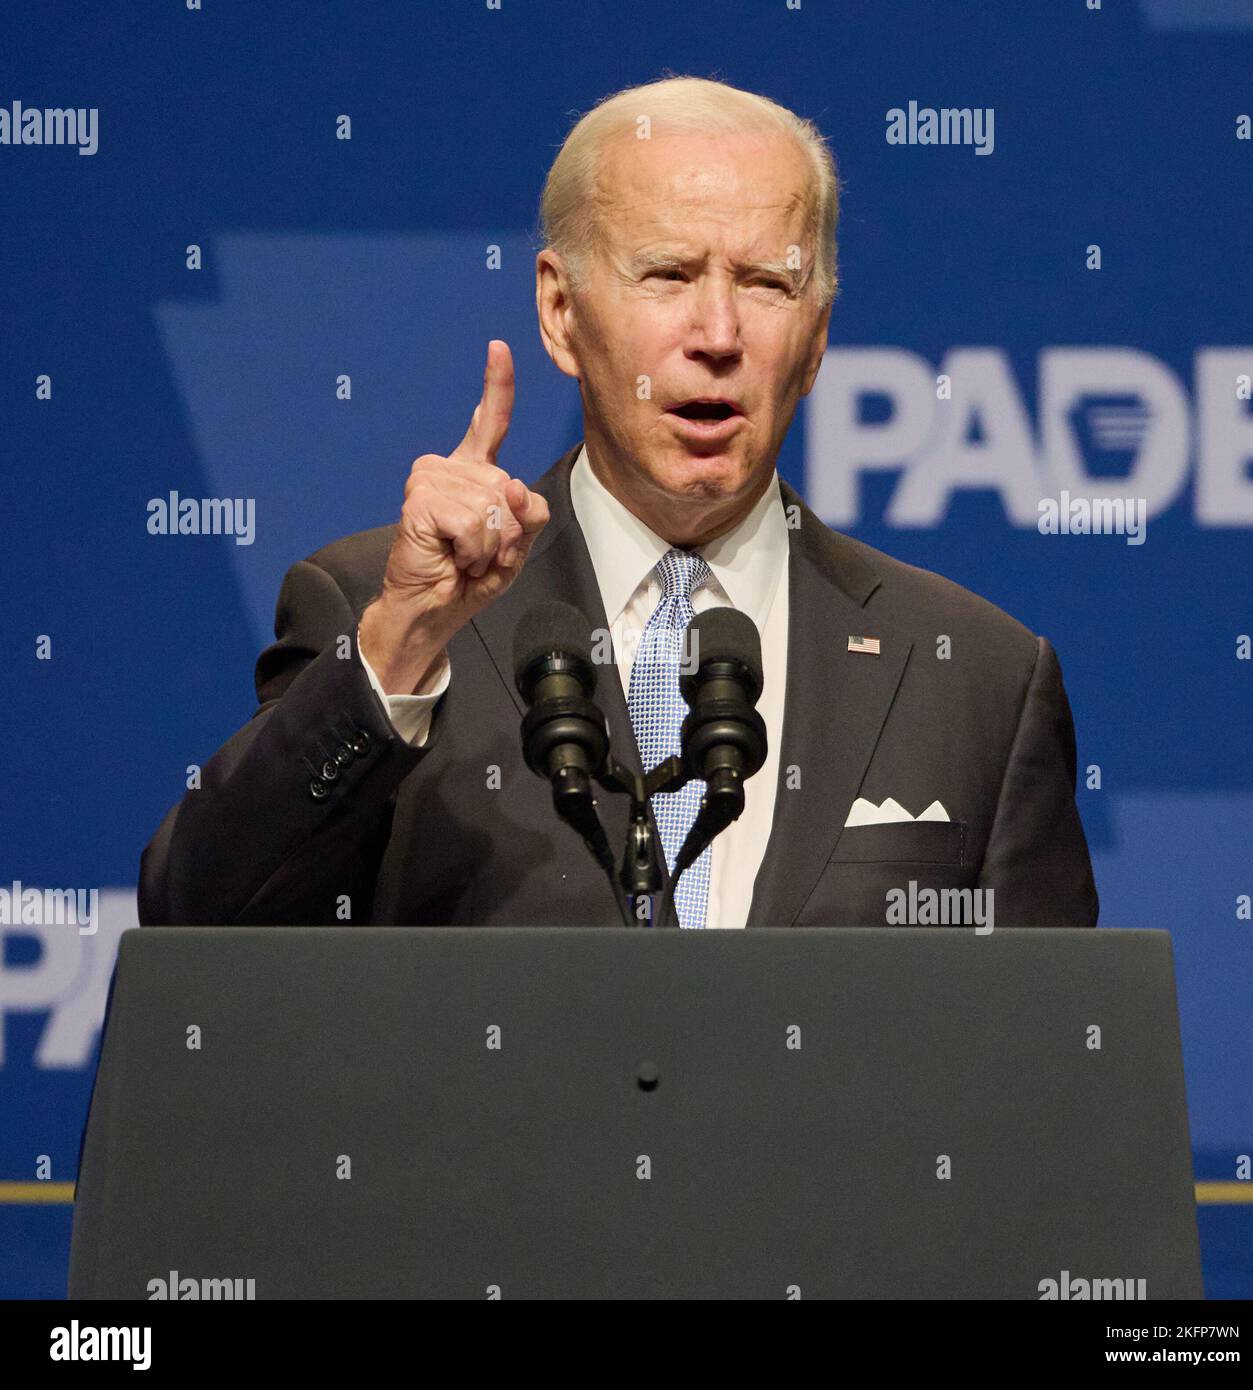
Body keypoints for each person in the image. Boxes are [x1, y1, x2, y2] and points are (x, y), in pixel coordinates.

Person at [139, 75, 1098, 931]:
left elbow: (1052, 1086)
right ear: (561, 311)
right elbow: (197, 919)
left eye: (767, 283)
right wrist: (398, 646)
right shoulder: (378, 614)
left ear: (815, 339)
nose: (717, 332)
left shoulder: (973, 677)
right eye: (670, 274)